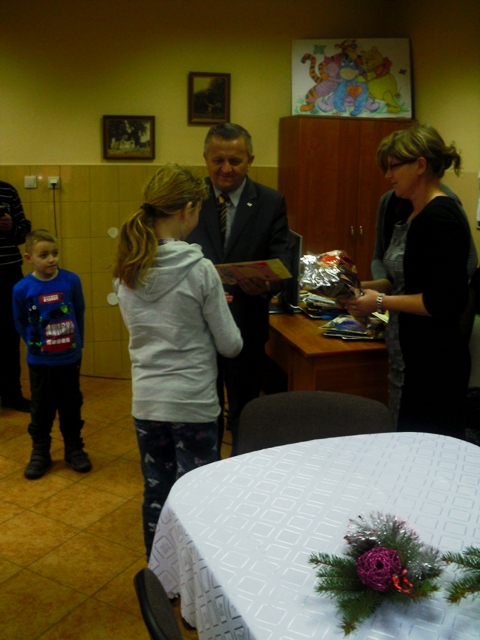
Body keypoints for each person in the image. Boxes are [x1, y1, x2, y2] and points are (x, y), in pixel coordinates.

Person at [113, 164, 243, 559]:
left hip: (148, 403)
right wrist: (215, 307)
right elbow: (230, 345)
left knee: (157, 492)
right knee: (197, 497)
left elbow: (154, 329)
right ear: (187, 209)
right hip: (192, 404)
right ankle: (197, 579)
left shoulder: (127, 268)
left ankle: (160, 575)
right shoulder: (200, 270)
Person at [344, 123, 471, 438]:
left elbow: (443, 301)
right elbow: (404, 282)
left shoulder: (441, 217)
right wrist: (356, 287)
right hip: (408, 356)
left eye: (393, 167)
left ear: (420, 165)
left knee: (420, 445)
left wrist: (379, 302)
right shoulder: (410, 212)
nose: (388, 175)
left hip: (433, 363)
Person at [187, 123, 291, 455]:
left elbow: (283, 260)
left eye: (235, 161)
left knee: (245, 410)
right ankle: (207, 468)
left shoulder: (270, 201)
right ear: (205, 159)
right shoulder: (189, 200)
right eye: (218, 160)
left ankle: (242, 466)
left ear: (250, 161)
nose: (226, 169)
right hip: (198, 325)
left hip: (247, 320)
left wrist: (267, 283)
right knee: (205, 409)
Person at [12, 229, 90, 479]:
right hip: (40, 361)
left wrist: (78, 343)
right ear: (29, 258)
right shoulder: (22, 288)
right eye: (44, 255)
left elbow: (79, 312)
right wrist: (35, 345)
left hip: (69, 358)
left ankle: (74, 448)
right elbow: (20, 321)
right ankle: (40, 451)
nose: (51, 259)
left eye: (54, 253)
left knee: (71, 404)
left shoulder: (71, 281)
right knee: (41, 407)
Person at [371, 185, 478, 280]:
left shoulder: (442, 209)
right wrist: (381, 287)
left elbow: (470, 260)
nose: (388, 175)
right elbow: (378, 256)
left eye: (394, 169)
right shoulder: (389, 200)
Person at [0, 180, 31, 412]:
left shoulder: (8, 190)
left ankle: (12, 395)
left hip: (9, 273)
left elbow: (24, 233)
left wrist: (10, 227)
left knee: (10, 337)